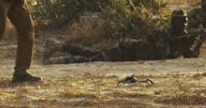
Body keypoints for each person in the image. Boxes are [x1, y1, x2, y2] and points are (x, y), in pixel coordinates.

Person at [43, 10, 204, 64]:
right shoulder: (164, 32)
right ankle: (57, 58)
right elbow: (161, 52)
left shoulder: (182, 37)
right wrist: (180, 42)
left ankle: (61, 48)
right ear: (174, 21)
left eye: (185, 21)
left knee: (92, 54)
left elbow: (190, 56)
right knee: (92, 58)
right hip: (128, 50)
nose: (184, 23)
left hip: (132, 57)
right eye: (181, 21)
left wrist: (196, 43)